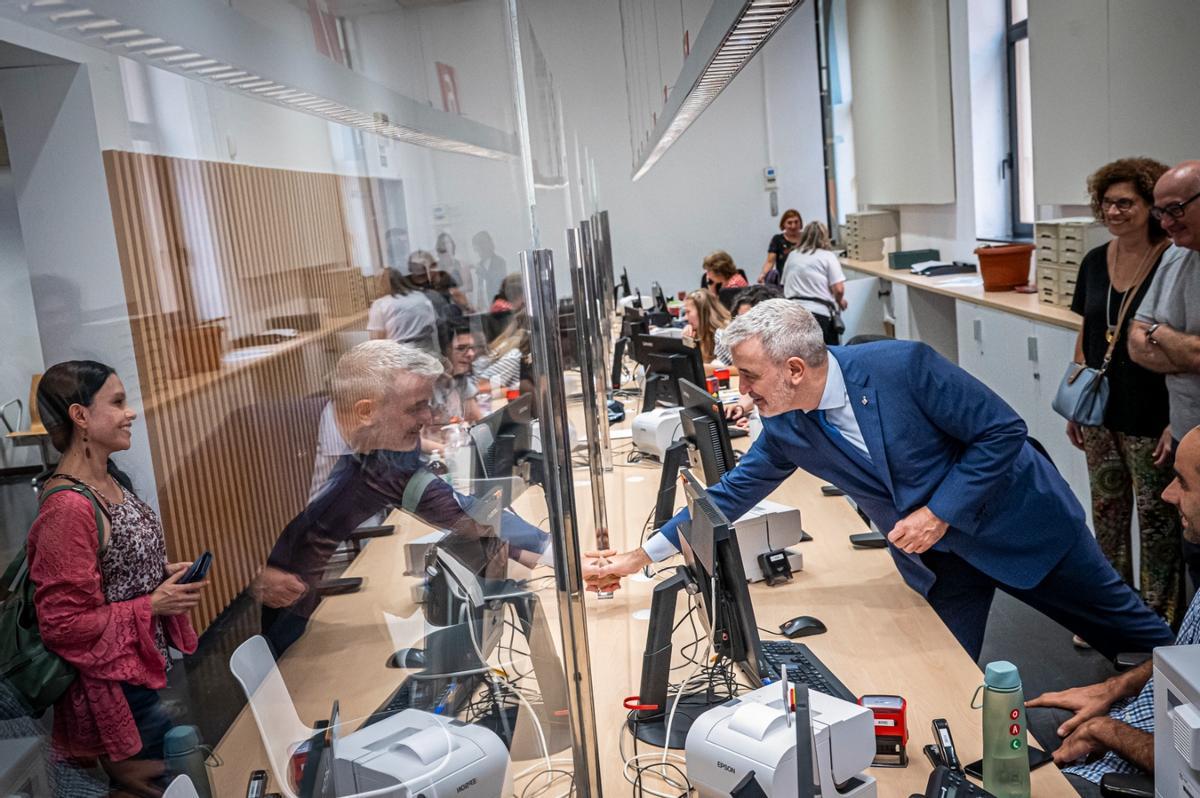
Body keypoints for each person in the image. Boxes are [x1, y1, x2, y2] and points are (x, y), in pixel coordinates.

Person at [585, 300, 1175, 662]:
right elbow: (731, 494)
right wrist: (642, 556)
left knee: (1140, 641)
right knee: (944, 674)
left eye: (748, 376)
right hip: (940, 563)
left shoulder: (904, 368)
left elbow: (1003, 432)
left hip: (1022, 525)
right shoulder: (786, 422)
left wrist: (940, 510)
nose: (742, 392)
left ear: (795, 369)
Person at [255, 341, 549, 654]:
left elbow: (460, 510)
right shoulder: (266, 430)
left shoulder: (389, 454)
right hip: (243, 615)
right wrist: (253, 572)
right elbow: (208, 517)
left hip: (304, 606)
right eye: (415, 407)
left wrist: (550, 551)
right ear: (366, 411)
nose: (428, 417)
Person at [28, 361, 204, 792]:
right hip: (113, 690)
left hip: (140, 674)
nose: (131, 413)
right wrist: (152, 605)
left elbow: (108, 571)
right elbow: (64, 624)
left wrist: (157, 574)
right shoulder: (67, 508)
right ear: (80, 416)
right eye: (118, 402)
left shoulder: (110, 479)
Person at [1027, 425, 1200, 796]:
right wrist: (1113, 687)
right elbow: (1188, 655)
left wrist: (1105, 730)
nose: (1168, 494)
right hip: (1136, 721)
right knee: (1010, 724)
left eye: (1183, 483)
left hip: (1141, 773)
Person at [1067, 157, 1181, 627]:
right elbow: (1087, 330)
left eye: (1125, 202)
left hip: (1152, 413)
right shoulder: (1095, 261)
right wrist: (1075, 399)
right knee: (1108, 514)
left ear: (1151, 205)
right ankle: (1113, 612)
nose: (1113, 212)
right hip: (1099, 411)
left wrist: (1181, 421)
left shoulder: (1173, 261)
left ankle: (1158, 618)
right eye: (1106, 203)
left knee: (1157, 522)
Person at [1128, 161, 1200, 589]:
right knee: (1193, 557)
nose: (1166, 222)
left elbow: (1150, 335)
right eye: (1160, 213)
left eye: (1175, 209)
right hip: (1186, 438)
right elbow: (1137, 341)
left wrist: (1162, 336)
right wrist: (1186, 350)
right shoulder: (1173, 256)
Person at [782, 221, 848, 345]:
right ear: (824, 237)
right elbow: (839, 289)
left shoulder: (792, 255)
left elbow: (784, 283)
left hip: (793, 313)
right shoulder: (827, 256)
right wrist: (840, 301)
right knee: (825, 355)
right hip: (819, 314)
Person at [367, 266, 438, 354]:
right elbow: (435, 325)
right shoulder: (421, 297)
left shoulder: (381, 304)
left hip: (399, 359)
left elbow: (376, 342)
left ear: (381, 284)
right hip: (428, 355)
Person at [431, 323, 483, 428]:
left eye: (472, 348)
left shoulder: (461, 379)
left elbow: (476, 418)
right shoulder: (427, 386)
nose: (471, 354)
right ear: (443, 353)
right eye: (461, 348)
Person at [681, 289, 732, 367]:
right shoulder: (699, 333)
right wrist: (688, 343)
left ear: (703, 312)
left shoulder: (722, 334)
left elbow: (742, 369)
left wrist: (709, 369)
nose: (685, 318)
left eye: (688, 312)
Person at [759, 209, 803, 285]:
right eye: (790, 223)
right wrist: (763, 275)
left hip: (804, 280)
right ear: (783, 224)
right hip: (784, 282)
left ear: (800, 223)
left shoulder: (807, 238)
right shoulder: (777, 240)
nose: (793, 226)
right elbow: (770, 261)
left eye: (796, 222)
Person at [472, 231, 507, 307]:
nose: (479, 250)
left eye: (481, 244)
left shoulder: (499, 262)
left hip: (498, 306)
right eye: (477, 247)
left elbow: (498, 283)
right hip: (484, 307)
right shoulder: (479, 265)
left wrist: (483, 272)